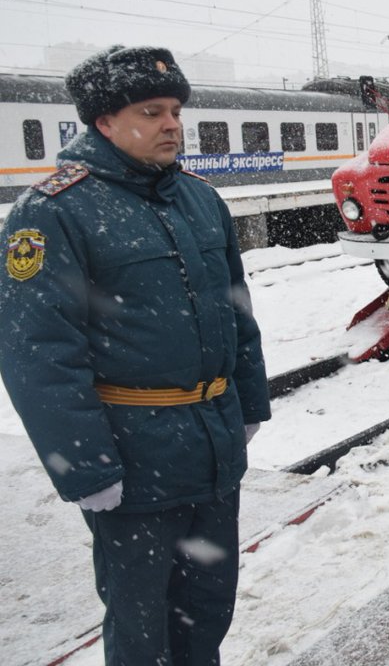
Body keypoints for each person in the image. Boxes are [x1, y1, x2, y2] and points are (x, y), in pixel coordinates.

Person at [0, 45, 271, 666]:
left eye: (175, 109)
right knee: (141, 621)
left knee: (207, 606)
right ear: (103, 122)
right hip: (133, 459)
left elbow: (237, 313)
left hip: (212, 444)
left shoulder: (201, 199)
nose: (172, 123)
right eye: (151, 112)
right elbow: (37, 354)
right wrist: (88, 470)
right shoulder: (53, 212)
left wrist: (248, 405)